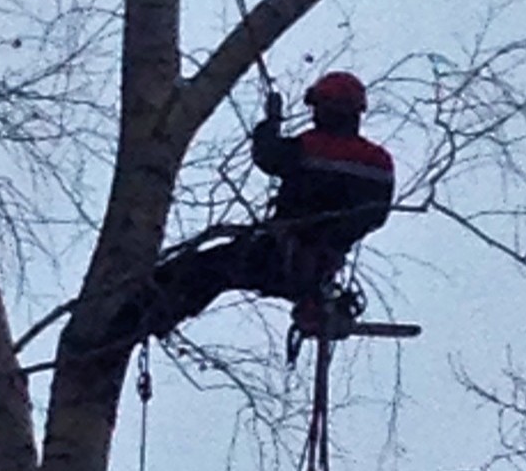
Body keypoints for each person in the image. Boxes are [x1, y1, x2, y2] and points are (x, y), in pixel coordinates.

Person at [139, 71, 395, 340]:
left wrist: (271, 121)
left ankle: (141, 314)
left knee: (205, 269)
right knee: (216, 269)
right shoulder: (380, 162)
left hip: (281, 254)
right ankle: (152, 317)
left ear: (329, 108)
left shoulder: (313, 146)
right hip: (320, 268)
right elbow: (376, 217)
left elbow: (268, 156)